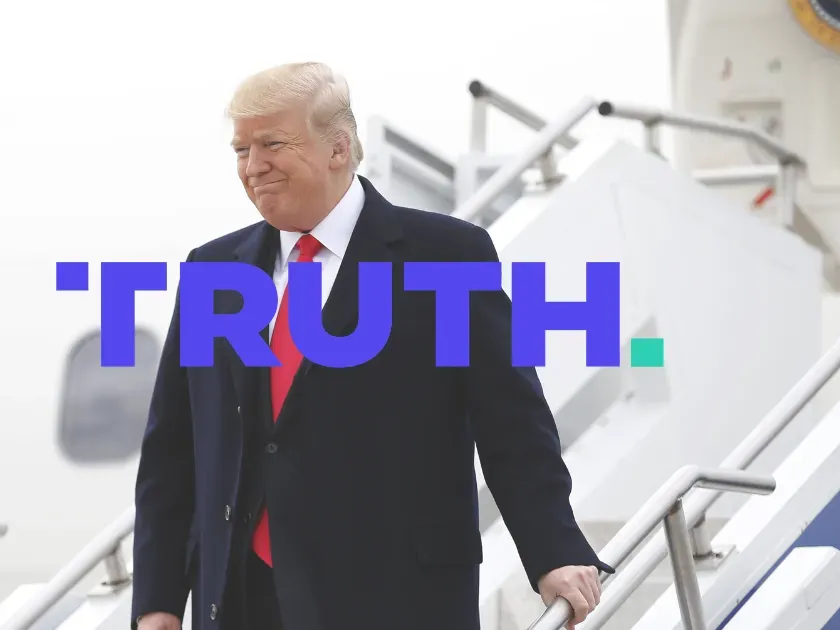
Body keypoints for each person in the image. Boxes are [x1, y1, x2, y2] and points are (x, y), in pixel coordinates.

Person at [132, 61, 612, 630]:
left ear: (338, 148)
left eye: (272, 144)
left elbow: (511, 422)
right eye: (241, 150)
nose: (253, 167)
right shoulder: (212, 271)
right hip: (245, 597)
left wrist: (553, 549)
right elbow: (173, 453)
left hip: (395, 595)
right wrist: (159, 601)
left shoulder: (445, 256)